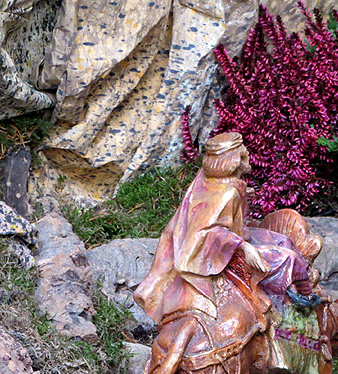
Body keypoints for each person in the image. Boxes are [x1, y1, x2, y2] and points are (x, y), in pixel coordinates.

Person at [134, 132, 314, 326]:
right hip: (222, 251)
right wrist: (245, 248)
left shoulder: (210, 181)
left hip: (235, 236)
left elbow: (230, 219)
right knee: (288, 257)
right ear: (235, 160)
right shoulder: (227, 192)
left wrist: (244, 199)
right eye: (243, 153)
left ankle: (303, 286)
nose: (248, 155)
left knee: (283, 240)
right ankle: (302, 302)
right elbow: (208, 231)